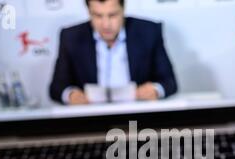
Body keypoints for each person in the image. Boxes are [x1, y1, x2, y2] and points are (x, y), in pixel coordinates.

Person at [50, 0, 178, 105]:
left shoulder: (149, 31)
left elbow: (169, 82)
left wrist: (155, 89)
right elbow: (57, 88)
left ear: (123, 10)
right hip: (90, 121)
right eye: (98, 16)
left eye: (112, 15)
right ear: (89, 12)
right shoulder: (71, 37)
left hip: (139, 119)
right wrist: (70, 94)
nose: (105, 24)